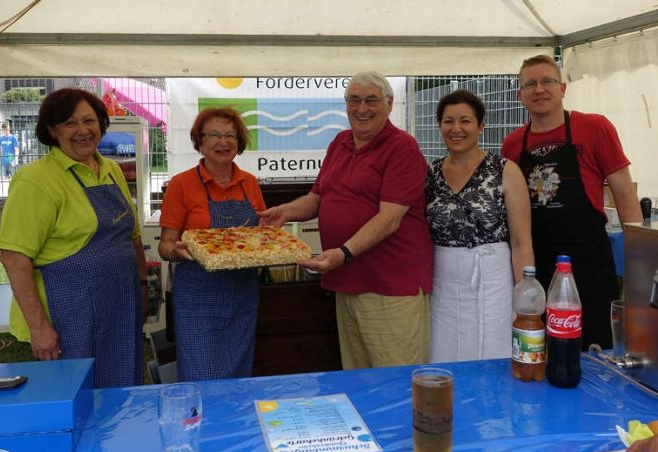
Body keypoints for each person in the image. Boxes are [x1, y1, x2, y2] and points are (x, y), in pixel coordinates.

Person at [259, 71, 433, 370]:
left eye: (370, 100)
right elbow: (318, 197)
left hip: (389, 286)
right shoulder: (340, 142)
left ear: (389, 104)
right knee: (358, 380)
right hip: (347, 282)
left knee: (395, 384)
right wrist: (285, 212)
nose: (361, 108)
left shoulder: (402, 148)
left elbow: (389, 219)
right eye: (354, 100)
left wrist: (344, 253)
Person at [0, 88, 147, 388]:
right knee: (75, 399)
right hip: (67, 316)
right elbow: (14, 257)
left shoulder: (111, 169)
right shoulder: (36, 180)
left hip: (118, 307)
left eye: (89, 121)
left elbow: (132, 236)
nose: (83, 131)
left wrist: (142, 288)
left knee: (119, 394)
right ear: (52, 130)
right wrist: (39, 328)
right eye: (70, 123)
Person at [502, 54, 642, 350]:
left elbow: (625, 194)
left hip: (589, 262)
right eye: (530, 84)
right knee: (542, 348)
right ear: (520, 96)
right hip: (536, 263)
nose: (539, 89)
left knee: (596, 349)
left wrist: (638, 259)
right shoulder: (512, 144)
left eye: (547, 81)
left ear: (563, 89)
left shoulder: (595, 127)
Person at [425, 89, 534, 362]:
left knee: (494, 355)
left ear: (481, 126)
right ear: (439, 126)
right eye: (448, 121)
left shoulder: (505, 170)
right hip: (443, 281)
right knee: (443, 355)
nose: (456, 128)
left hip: (493, 278)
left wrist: (525, 302)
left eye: (465, 120)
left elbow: (522, 242)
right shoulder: (429, 173)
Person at [158, 107, 266, 381]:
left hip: (242, 292)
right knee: (200, 372)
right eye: (215, 135)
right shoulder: (181, 185)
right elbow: (166, 245)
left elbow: (261, 237)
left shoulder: (249, 183)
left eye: (230, 135)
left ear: (239, 142)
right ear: (200, 141)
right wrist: (180, 252)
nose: (223, 142)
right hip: (197, 296)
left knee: (239, 371)